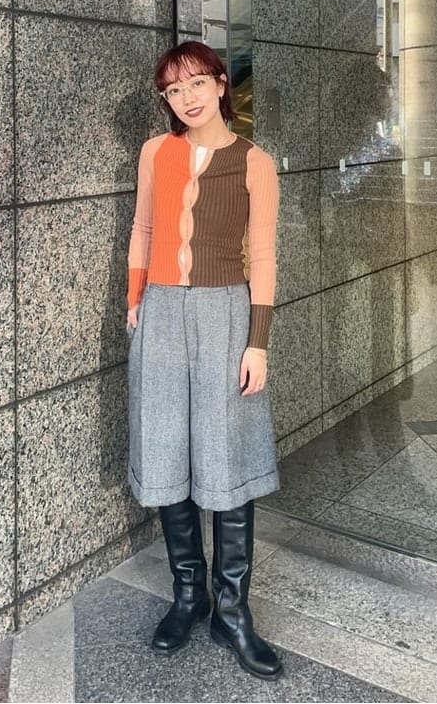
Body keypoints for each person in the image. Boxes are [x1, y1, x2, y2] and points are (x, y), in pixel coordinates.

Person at [126, 41, 282, 681]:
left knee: (227, 452)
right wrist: (135, 301)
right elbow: (142, 228)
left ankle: (232, 611)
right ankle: (188, 595)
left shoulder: (254, 163)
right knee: (167, 448)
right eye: (173, 90)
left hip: (226, 314)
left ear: (221, 85)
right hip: (161, 311)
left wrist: (257, 341)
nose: (186, 98)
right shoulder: (155, 153)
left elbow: (264, 255)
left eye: (195, 83)